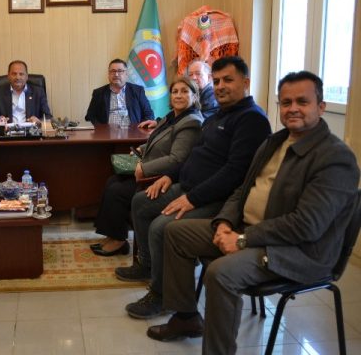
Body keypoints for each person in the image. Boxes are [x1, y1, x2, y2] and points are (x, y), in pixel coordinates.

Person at [149, 71, 360, 354]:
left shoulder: (335, 158)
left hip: (298, 251)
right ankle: (186, 317)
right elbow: (242, 189)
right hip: (248, 231)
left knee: (220, 273)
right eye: (286, 102)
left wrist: (242, 239)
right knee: (175, 232)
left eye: (302, 102)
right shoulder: (274, 142)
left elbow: (307, 225)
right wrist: (224, 222)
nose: (293, 109)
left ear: (321, 107)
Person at [115, 56, 272, 319]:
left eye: (228, 80)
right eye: (217, 81)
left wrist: (192, 199)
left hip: (217, 200)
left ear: (245, 83)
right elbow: (192, 155)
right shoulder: (217, 116)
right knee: (141, 202)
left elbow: (235, 174)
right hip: (187, 187)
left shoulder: (252, 120)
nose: (220, 86)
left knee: (161, 227)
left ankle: (161, 295)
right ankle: (148, 265)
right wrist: (170, 176)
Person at [91, 78, 204, 256]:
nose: (178, 95)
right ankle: (113, 236)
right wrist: (141, 149)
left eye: (184, 91)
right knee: (112, 181)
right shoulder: (172, 116)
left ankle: (119, 241)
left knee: (117, 191)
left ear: (194, 96)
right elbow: (157, 140)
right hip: (148, 167)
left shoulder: (191, 122)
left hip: (161, 178)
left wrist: (145, 169)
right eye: (175, 91)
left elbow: (177, 159)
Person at [85, 59, 155, 126]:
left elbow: (149, 114)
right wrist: (101, 129)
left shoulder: (138, 90)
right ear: (108, 74)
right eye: (113, 71)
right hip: (106, 132)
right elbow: (90, 116)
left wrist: (141, 129)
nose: (116, 74)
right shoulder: (98, 93)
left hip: (133, 131)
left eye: (120, 71)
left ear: (126, 74)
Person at [0, 60, 52, 125]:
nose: (17, 77)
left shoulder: (38, 92)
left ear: (26, 76)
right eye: (14, 74)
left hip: (31, 131)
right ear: (8, 76)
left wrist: (38, 121)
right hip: (8, 131)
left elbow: (48, 117)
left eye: (21, 74)